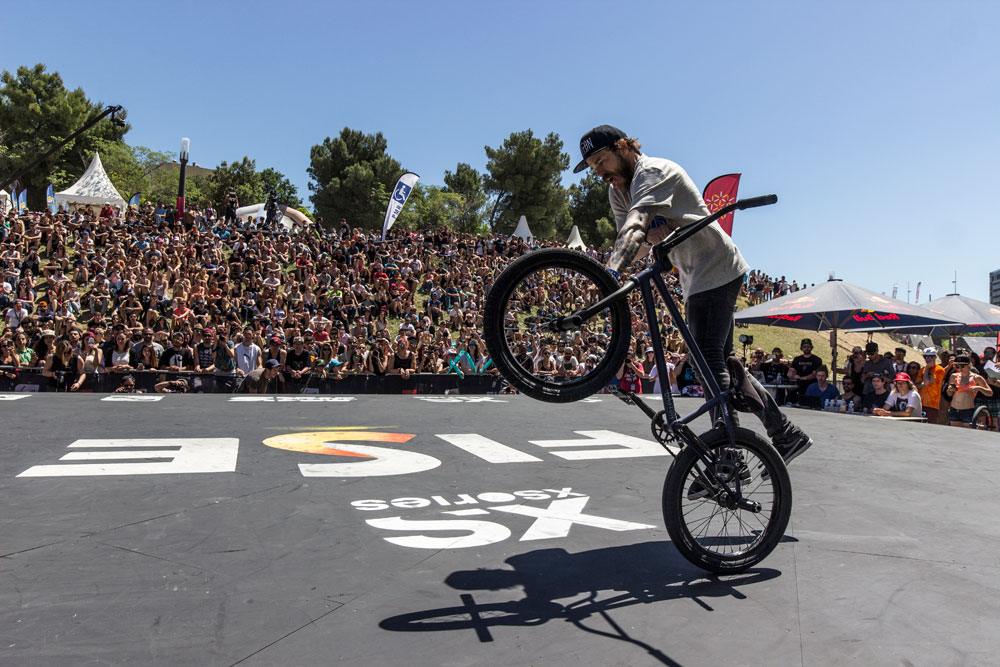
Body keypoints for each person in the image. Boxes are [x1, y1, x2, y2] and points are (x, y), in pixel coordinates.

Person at [577, 124, 811, 471]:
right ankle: (785, 433)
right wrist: (645, 240)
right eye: (593, 166)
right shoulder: (618, 193)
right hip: (695, 277)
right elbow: (635, 244)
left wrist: (608, 276)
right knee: (727, 366)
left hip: (715, 266)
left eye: (601, 160)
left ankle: (728, 453)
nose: (599, 171)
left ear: (623, 146)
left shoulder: (653, 171)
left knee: (707, 362)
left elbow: (637, 226)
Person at [943, 354, 992, 427]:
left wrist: (979, 388)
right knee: (955, 433)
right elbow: (949, 394)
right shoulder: (954, 376)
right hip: (954, 409)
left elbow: (990, 393)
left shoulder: (976, 378)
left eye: (962, 366)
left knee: (967, 434)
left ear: (969, 365)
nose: (960, 368)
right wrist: (950, 390)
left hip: (967, 410)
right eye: (957, 366)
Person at [788, 338, 823, 403]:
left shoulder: (817, 360)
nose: (806, 348)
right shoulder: (797, 359)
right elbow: (791, 371)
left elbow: (816, 374)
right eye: (804, 347)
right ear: (801, 348)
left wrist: (804, 378)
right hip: (799, 386)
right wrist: (793, 376)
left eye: (808, 347)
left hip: (812, 386)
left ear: (811, 348)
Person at [916, 347, 945, 424]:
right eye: (925, 357)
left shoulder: (939, 370)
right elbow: (917, 385)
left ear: (935, 357)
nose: (927, 359)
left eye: (930, 357)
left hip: (933, 404)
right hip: (921, 403)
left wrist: (927, 368)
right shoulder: (922, 370)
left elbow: (926, 382)